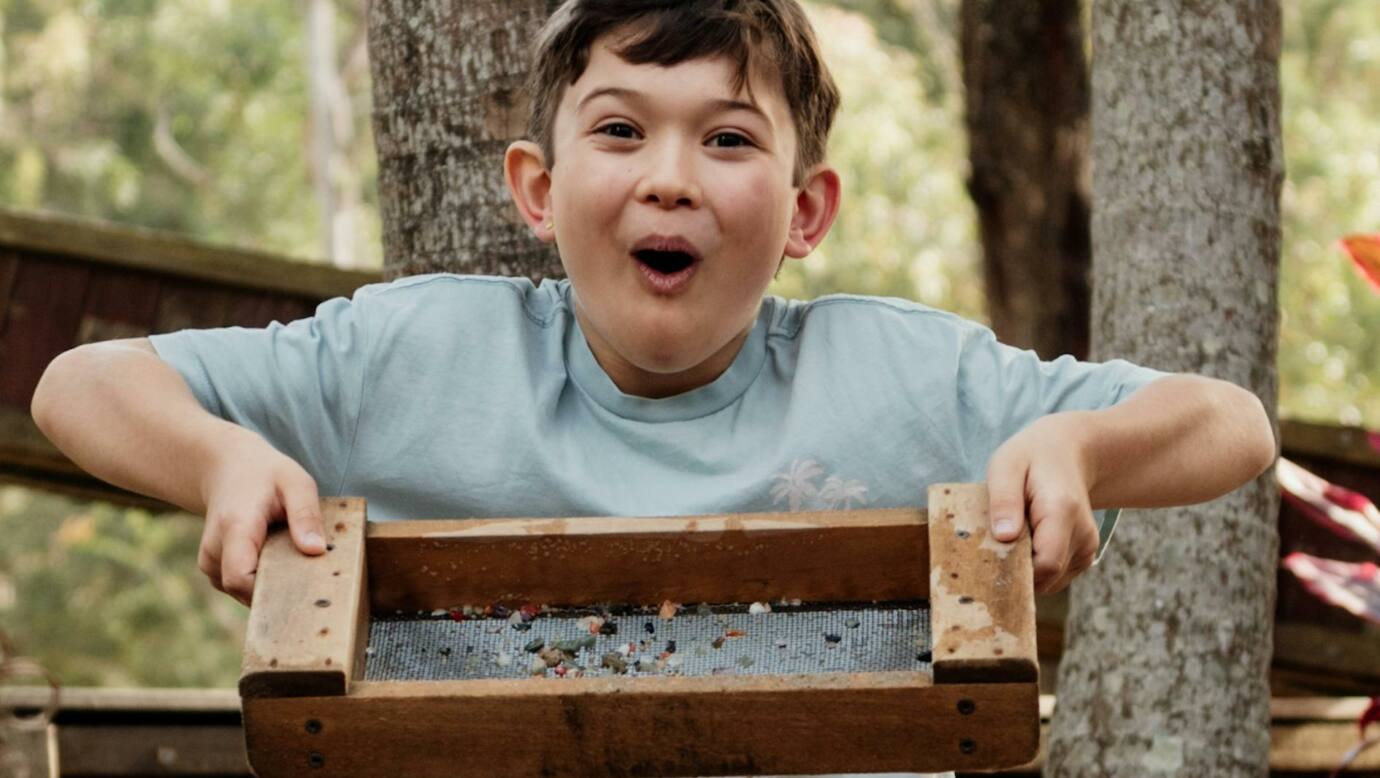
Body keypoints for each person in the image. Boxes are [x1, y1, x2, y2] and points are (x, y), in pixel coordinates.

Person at [31, 1, 1276, 776]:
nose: (671, 177)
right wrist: (225, 459)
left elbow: (1231, 423)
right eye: (621, 131)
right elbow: (79, 383)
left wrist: (1076, 446)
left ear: (803, 211)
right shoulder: (414, 358)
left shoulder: (897, 375)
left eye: (727, 138)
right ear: (537, 187)